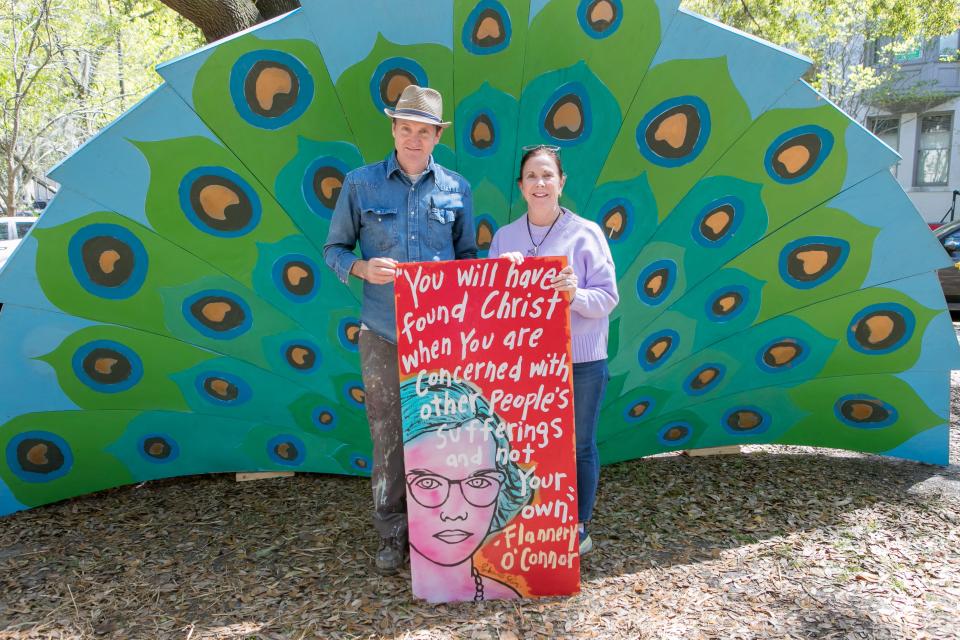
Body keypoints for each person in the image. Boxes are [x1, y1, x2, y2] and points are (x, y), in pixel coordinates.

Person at [323, 85, 477, 575]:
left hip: (441, 338)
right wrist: (363, 269)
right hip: (382, 332)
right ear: (393, 130)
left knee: (440, 432)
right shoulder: (360, 185)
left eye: (424, 131)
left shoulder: (457, 189)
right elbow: (334, 250)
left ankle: (441, 533)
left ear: (437, 137)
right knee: (388, 435)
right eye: (405, 128)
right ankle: (393, 536)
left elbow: (468, 258)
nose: (414, 138)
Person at [487, 144, 619, 555]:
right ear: (521, 187)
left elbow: (608, 297)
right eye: (531, 176)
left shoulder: (587, 232)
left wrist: (575, 294)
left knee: (578, 445)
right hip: (525, 365)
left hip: (580, 361)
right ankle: (535, 521)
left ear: (561, 182)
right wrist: (500, 278)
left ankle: (578, 525)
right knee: (528, 445)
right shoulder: (505, 238)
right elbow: (489, 309)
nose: (540, 183)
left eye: (548, 175)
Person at [400, 377, 529, 602]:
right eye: (428, 483)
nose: (454, 511)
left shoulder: (506, 594)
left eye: (479, 482)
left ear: (503, 485)